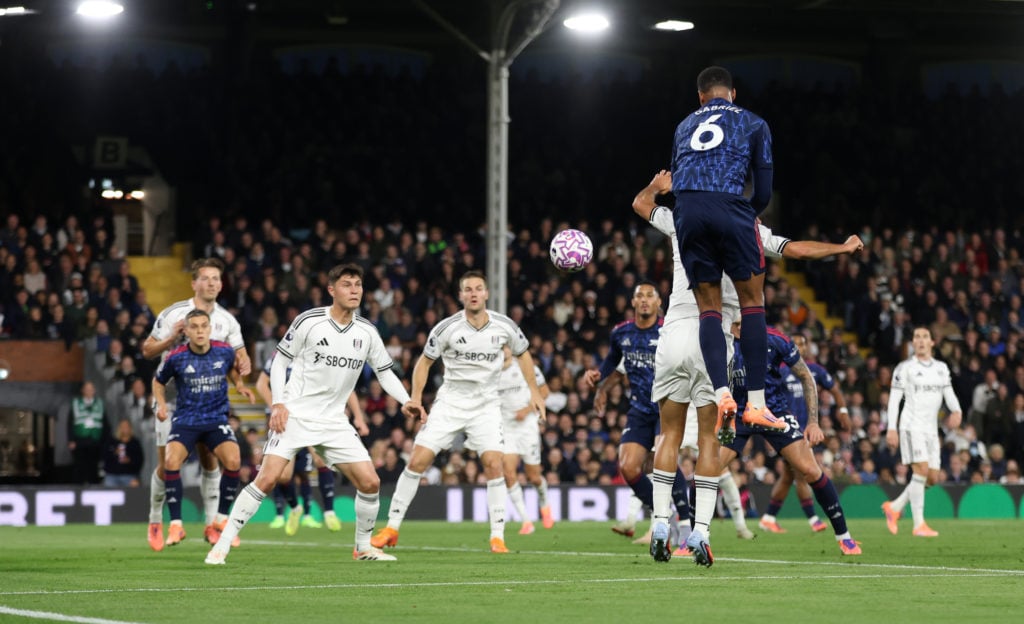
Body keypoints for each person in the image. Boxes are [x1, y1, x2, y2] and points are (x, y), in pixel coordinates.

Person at [633, 169, 863, 565]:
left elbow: (640, 204)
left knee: (668, 433)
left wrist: (657, 186)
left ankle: (659, 523)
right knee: (708, 440)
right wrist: (840, 249)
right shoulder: (748, 230)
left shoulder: (683, 217)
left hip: (672, 334)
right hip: (713, 335)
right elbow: (796, 249)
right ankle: (701, 532)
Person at [206, 264, 419, 564]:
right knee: (266, 479)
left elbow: (385, 373)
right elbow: (279, 364)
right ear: (332, 290)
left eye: (358, 284)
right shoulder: (309, 321)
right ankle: (222, 545)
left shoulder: (367, 331)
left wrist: (406, 400)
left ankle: (363, 548)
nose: (355, 290)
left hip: (333, 421)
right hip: (295, 415)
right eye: (347, 284)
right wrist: (278, 403)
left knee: (370, 483)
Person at [371, 270, 545, 554]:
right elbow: (424, 363)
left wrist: (534, 391)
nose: (474, 293)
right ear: (461, 295)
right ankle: (391, 528)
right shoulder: (446, 328)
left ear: (486, 294)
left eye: (479, 289)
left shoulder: (504, 326)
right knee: (417, 460)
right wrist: (415, 397)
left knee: (493, 463)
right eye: (468, 289)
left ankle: (497, 537)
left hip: (487, 405)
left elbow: (524, 354)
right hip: (451, 402)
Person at [670, 65, 783, 444]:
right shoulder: (754, 122)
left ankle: (720, 393)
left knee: (709, 309)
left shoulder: (684, 125)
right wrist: (747, 213)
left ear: (701, 96)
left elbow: (678, 178)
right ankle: (754, 402)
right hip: (731, 205)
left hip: (687, 212)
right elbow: (763, 190)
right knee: (752, 301)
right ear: (732, 93)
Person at [721, 321, 862, 557]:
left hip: (774, 413)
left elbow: (807, 378)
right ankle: (690, 536)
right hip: (737, 413)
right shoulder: (720, 339)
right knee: (709, 469)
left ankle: (844, 536)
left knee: (810, 470)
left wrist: (814, 422)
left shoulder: (777, 339)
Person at [141, 258, 252, 551]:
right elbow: (147, 350)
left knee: (211, 460)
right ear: (194, 283)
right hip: (175, 397)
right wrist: (171, 337)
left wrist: (244, 368)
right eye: (206, 278)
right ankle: (155, 519)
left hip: (208, 400)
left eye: (216, 278)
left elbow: (239, 358)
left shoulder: (227, 321)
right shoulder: (174, 313)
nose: (212, 283)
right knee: (167, 466)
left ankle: (212, 524)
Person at [583, 282, 691, 545]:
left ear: (658, 303)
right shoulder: (621, 333)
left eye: (649, 296)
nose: (644, 300)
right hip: (640, 409)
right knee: (629, 466)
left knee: (661, 458)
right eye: (639, 296)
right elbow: (613, 360)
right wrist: (600, 378)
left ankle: (684, 524)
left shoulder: (669, 330)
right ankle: (660, 513)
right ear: (632, 303)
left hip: (668, 405)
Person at [254, 353, 368, 534]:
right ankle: (295, 508)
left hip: (314, 417)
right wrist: (277, 407)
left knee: (320, 460)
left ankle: (330, 511)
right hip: (286, 421)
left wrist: (359, 417)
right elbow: (261, 384)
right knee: (283, 476)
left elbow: (345, 387)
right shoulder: (279, 355)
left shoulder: (322, 353)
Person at [759, 333, 852, 534]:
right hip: (786, 431)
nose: (800, 346)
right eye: (796, 343)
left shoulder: (815, 370)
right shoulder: (780, 370)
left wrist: (843, 410)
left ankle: (768, 517)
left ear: (808, 347)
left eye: (803, 343)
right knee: (803, 473)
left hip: (806, 430)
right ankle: (813, 519)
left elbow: (834, 389)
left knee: (788, 476)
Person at [881, 326, 963, 537]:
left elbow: (949, 393)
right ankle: (919, 524)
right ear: (913, 343)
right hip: (911, 426)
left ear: (932, 342)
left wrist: (957, 410)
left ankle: (895, 507)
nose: (920, 340)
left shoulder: (941, 368)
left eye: (925, 337)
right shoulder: (904, 368)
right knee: (921, 470)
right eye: (916, 337)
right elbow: (894, 400)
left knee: (932, 478)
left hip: (931, 430)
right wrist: (891, 428)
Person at [497, 344, 554, 535]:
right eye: (499, 348)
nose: (503, 351)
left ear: (510, 349)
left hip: (527, 427)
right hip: (506, 428)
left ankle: (544, 503)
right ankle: (526, 521)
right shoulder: (490, 372)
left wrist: (527, 410)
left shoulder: (525, 366)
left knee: (533, 477)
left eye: (505, 347)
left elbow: (544, 392)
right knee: (508, 473)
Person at [68, 381, 107, 484]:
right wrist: (71, 440)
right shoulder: (76, 403)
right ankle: (78, 490)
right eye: (87, 389)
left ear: (94, 391)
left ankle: (93, 490)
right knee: (79, 467)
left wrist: (103, 441)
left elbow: (105, 423)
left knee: (93, 468)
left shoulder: (100, 403)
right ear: (82, 390)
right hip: (80, 440)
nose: (89, 391)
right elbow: (70, 423)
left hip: (95, 440)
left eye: (91, 389)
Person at [102, 419, 145, 487]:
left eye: (126, 427)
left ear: (130, 428)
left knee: (134, 484)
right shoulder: (111, 442)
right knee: (108, 485)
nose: (124, 429)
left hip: (129, 475)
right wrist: (114, 453)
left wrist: (129, 460)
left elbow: (139, 460)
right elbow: (105, 457)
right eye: (122, 427)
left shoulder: (135, 443)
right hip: (112, 475)